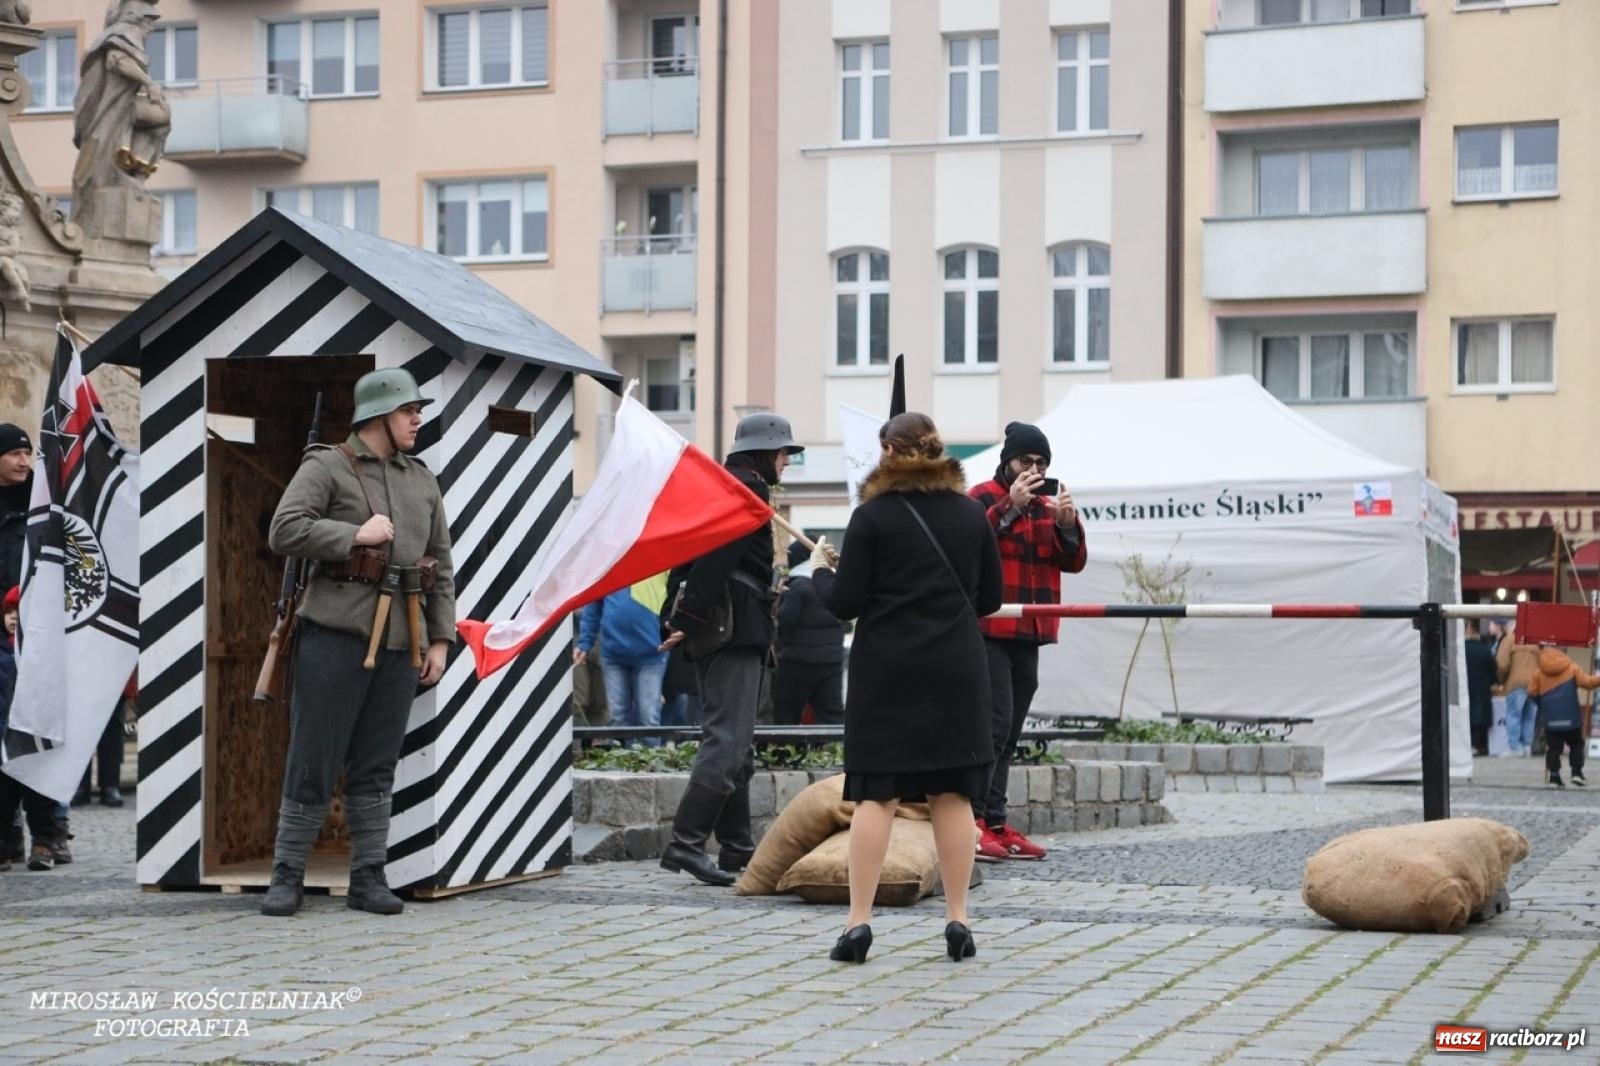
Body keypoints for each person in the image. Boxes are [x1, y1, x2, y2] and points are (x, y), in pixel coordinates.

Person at [261, 368, 456, 917]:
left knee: (376, 762)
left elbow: (439, 566)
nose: (417, 419)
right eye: (407, 411)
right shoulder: (327, 465)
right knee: (312, 757)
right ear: (377, 416)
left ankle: (369, 876)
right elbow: (284, 529)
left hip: (402, 641)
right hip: (335, 634)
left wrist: (440, 640)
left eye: (416, 411)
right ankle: (287, 874)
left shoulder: (420, 478)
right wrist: (353, 535)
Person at [810, 412, 1002, 964]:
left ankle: (858, 924)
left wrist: (821, 571)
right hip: (956, 670)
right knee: (953, 794)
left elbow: (844, 602)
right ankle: (959, 918)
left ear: (890, 453)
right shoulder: (973, 516)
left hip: (887, 671)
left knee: (877, 794)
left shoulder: (871, 518)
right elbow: (988, 599)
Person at [658, 413, 802, 886]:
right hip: (733, 622)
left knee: (736, 742)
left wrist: (677, 613)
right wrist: (686, 614)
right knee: (728, 739)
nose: (786, 461)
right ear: (764, 450)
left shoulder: (720, 485)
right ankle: (686, 844)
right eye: (783, 453)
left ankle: (738, 846)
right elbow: (716, 559)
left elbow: (684, 552)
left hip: (721, 623)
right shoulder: (748, 491)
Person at [967, 422, 1087, 861]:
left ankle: (995, 821)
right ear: (1007, 461)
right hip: (990, 629)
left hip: (1032, 632)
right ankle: (974, 822)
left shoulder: (1048, 504)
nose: (1034, 470)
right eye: (1026, 462)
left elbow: (1073, 562)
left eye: (1042, 463)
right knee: (993, 726)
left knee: (1012, 730)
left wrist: (1068, 526)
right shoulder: (982, 497)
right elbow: (967, 545)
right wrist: (1008, 508)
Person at [576, 574, 671, 744]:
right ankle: (627, 763)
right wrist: (585, 643)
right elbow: (594, 605)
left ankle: (646, 765)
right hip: (619, 655)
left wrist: (585, 642)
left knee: (646, 717)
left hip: (649, 654)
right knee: (620, 717)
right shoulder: (612, 566)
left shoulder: (658, 565)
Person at [773, 540, 845, 726]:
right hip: (831, 660)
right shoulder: (833, 584)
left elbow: (787, 618)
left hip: (798, 660)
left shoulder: (797, 587)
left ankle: (788, 753)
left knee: (788, 712)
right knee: (831, 714)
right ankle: (830, 752)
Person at [1525, 645, 1598, 788]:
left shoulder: (1538, 673)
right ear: (1563, 653)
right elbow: (1587, 683)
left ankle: (1554, 777)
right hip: (1571, 718)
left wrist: (1543, 704)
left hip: (1550, 718)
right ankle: (1576, 773)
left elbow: (1532, 693)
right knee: (1576, 744)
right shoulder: (1572, 668)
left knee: (1553, 748)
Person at [1497, 621, 1539, 757]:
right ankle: (1527, 747)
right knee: (1529, 717)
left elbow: (1502, 664)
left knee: (1513, 715)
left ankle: (1515, 748)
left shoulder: (1509, 640)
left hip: (1516, 683)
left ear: (1511, 629)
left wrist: (1502, 680)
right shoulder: (1534, 643)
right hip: (1534, 685)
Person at [1465, 621, 1497, 757]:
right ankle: (1481, 746)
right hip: (1483, 688)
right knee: (1481, 717)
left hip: (1466, 687)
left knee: (1468, 716)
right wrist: (1493, 682)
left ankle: (1469, 745)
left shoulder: (1462, 649)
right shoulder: (1485, 649)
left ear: (1469, 629)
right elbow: (1493, 670)